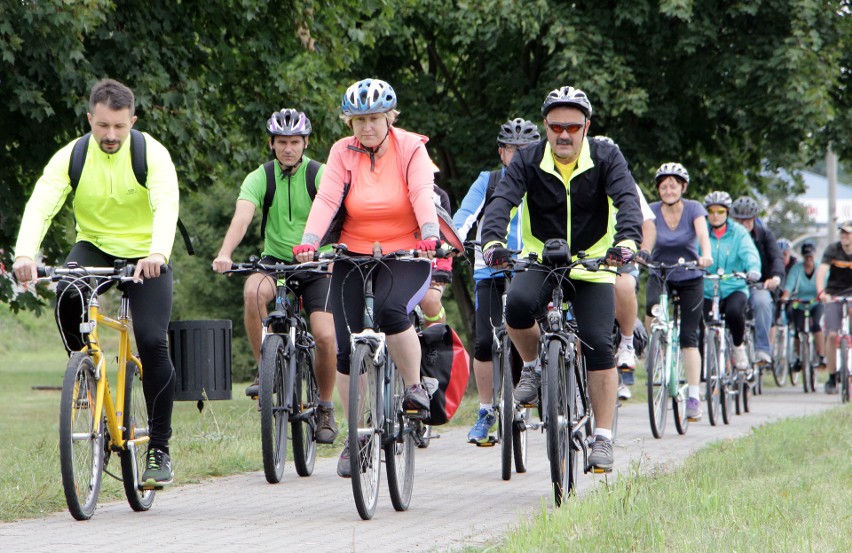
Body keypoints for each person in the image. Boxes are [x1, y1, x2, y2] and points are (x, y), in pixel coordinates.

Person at [12, 79, 179, 486]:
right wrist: (24, 253)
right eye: (102, 126)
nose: (110, 135)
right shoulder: (73, 156)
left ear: (132, 121)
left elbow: (166, 202)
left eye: (119, 127)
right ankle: (85, 367)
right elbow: (42, 203)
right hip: (95, 246)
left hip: (146, 255)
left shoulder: (151, 154)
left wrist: (157, 252)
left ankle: (159, 449)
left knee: (153, 340)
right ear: (90, 119)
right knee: (68, 293)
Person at [480, 85, 643, 472]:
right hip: (541, 257)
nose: (564, 135)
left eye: (572, 126)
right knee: (517, 307)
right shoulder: (529, 160)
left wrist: (627, 242)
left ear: (586, 127)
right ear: (546, 126)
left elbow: (627, 201)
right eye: (556, 126)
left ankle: (601, 438)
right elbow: (503, 200)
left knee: (599, 345)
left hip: (592, 263)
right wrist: (493, 241)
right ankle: (534, 364)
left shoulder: (606, 156)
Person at [293, 78, 439, 476]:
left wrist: (429, 234)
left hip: (406, 250)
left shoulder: (411, 147)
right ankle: (356, 434)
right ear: (349, 122)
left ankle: (413, 388)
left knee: (392, 312)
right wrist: (310, 241)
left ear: (390, 117)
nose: (366, 127)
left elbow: (421, 192)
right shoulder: (342, 151)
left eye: (374, 118)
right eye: (358, 120)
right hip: (353, 252)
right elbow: (327, 199)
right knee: (344, 348)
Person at [211, 108, 339, 443]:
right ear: (271, 143)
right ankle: (266, 369)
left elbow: (339, 214)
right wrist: (225, 253)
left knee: (325, 336)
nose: (288, 148)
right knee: (253, 292)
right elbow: (242, 217)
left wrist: (334, 253)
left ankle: (325, 405)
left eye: (295, 142)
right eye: (282, 142)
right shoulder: (259, 178)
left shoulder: (320, 173)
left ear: (305, 142)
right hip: (276, 262)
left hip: (316, 264)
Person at [453, 117, 539, 444]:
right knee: (485, 342)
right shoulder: (488, 181)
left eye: (525, 151)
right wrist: (454, 239)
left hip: (532, 266)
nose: (518, 156)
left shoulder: (542, 182)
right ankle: (487, 410)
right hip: (490, 265)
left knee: (547, 324)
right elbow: (464, 216)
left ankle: (551, 382)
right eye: (512, 150)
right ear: (501, 152)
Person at [634, 163, 713, 420]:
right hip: (661, 272)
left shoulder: (694, 209)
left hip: (690, 275)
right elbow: (641, 233)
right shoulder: (652, 211)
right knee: (651, 307)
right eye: (663, 185)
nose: (668, 190)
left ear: (683, 187)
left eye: (673, 185)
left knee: (690, 337)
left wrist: (706, 255)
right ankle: (653, 347)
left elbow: (703, 234)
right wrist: (638, 253)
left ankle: (693, 396)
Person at [594, 136, 656, 401]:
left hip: (620, 256)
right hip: (585, 258)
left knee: (625, 284)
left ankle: (628, 342)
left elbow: (647, 224)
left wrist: (643, 251)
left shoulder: (625, 182)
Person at [700, 191, 762, 370]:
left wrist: (753, 270)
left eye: (720, 211)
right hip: (707, 287)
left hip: (734, 286)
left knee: (735, 312)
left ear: (727, 212)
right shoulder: (702, 230)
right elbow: (693, 250)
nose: (715, 215)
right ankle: (703, 364)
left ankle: (737, 347)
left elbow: (749, 252)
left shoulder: (739, 232)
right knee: (699, 321)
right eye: (711, 211)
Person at [730, 196, 785, 365]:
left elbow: (776, 257)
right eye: (739, 220)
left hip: (759, 283)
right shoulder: (728, 235)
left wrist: (775, 277)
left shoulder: (765, 235)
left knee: (763, 302)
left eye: (747, 220)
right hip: (732, 284)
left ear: (754, 218)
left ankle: (762, 349)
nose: (743, 224)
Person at [814, 221, 852, 394]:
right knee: (832, 335)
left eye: (848, 233)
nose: (844, 236)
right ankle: (831, 377)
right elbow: (821, 272)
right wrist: (822, 292)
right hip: (833, 294)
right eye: (842, 233)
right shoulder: (833, 250)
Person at [782, 241, 825, 371]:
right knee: (797, 330)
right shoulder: (797, 269)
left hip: (816, 302)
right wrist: (785, 295)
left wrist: (823, 294)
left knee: (817, 325)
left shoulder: (820, 268)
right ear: (803, 256)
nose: (808, 259)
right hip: (799, 303)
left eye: (811, 256)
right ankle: (798, 357)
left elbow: (825, 283)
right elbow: (789, 285)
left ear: (814, 255)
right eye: (806, 256)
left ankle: (821, 355)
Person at [418, 179, 453, 327]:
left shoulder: (438, 196)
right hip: (397, 259)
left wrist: (443, 268)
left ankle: (436, 346)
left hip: (432, 263)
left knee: (430, 300)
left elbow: (446, 237)